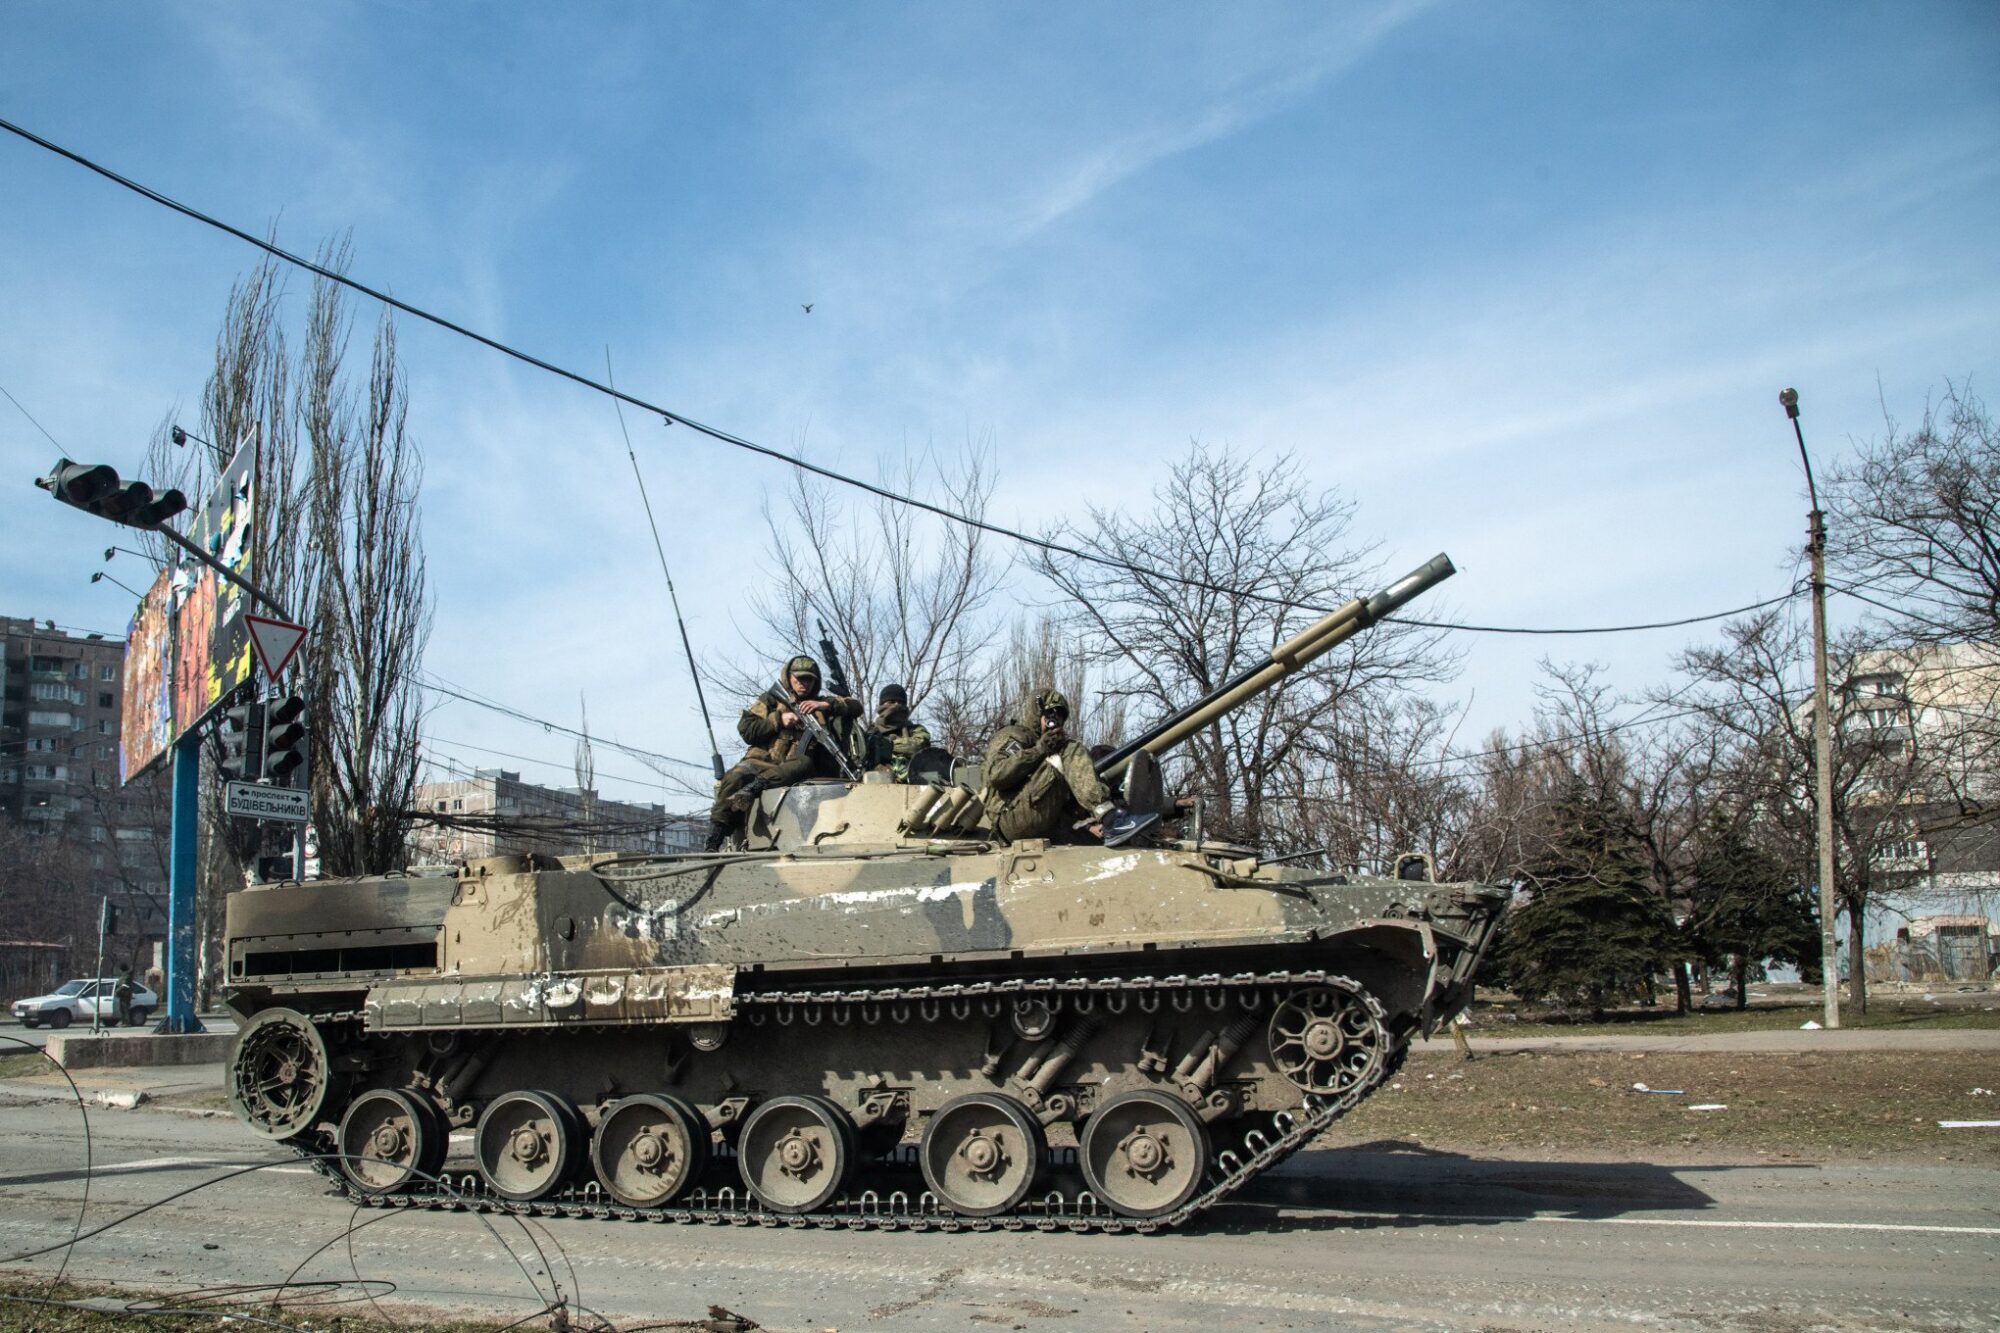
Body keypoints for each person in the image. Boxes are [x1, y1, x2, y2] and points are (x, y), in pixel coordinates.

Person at [706, 654, 862, 850]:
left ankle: (755, 787)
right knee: (733, 779)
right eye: (799, 679)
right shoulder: (771, 700)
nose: (803, 683)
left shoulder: (821, 707)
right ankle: (712, 843)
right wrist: (778, 719)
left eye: (809, 679)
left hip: (791, 771)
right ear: (789, 677)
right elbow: (747, 729)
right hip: (760, 763)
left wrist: (826, 705)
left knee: (804, 762)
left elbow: (856, 707)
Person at [981, 688, 1115, 843]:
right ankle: (1108, 814)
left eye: (1060, 716)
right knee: (1070, 748)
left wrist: (1087, 824)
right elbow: (997, 775)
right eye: (1051, 714)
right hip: (1011, 817)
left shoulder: (1052, 749)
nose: (1056, 720)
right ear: (1037, 713)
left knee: (1098, 844)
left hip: (1046, 820)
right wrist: (1040, 750)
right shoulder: (1016, 735)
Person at [865, 683, 931, 782]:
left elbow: (920, 745)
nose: (896, 705)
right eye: (891, 702)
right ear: (882, 705)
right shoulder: (871, 733)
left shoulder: (915, 730)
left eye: (900, 702)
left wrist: (889, 746)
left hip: (910, 784)